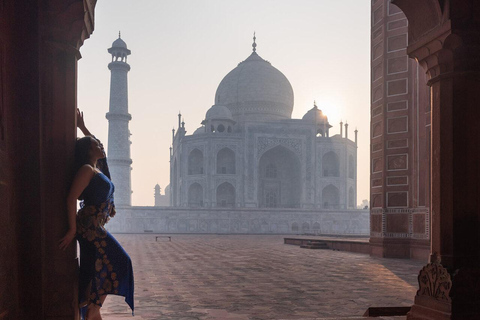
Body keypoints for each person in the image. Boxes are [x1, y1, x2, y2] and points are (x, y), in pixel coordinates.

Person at [59, 109, 134, 320]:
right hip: (89, 228)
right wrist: (72, 229)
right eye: (96, 144)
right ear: (88, 150)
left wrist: (83, 128)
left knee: (94, 273)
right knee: (119, 262)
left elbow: (103, 157)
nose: (100, 145)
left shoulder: (97, 169)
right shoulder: (86, 170)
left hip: (96, 228)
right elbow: (71, 197)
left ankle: (92, 310)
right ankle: (91, 309)